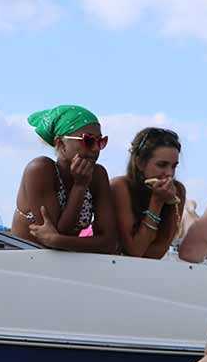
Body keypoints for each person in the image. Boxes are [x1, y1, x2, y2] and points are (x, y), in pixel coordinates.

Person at [11, 105, 117, 253]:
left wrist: (57, 240)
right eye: (88, 141)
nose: (96, 149)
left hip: (64, 266)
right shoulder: (40, 169)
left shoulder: (97, 175)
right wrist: (80, 186)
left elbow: (109, 243)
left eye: (101, 142)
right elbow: (57, 237)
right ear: (61, 144)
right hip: (24, 262)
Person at [109, 127, 187, 258]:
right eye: (162, 165)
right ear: (139, 162)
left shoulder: (177, 190)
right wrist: (157, 202)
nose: (170, 173)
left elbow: (159, 252)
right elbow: (135, 250)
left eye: (174, 166)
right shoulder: (120, 187)